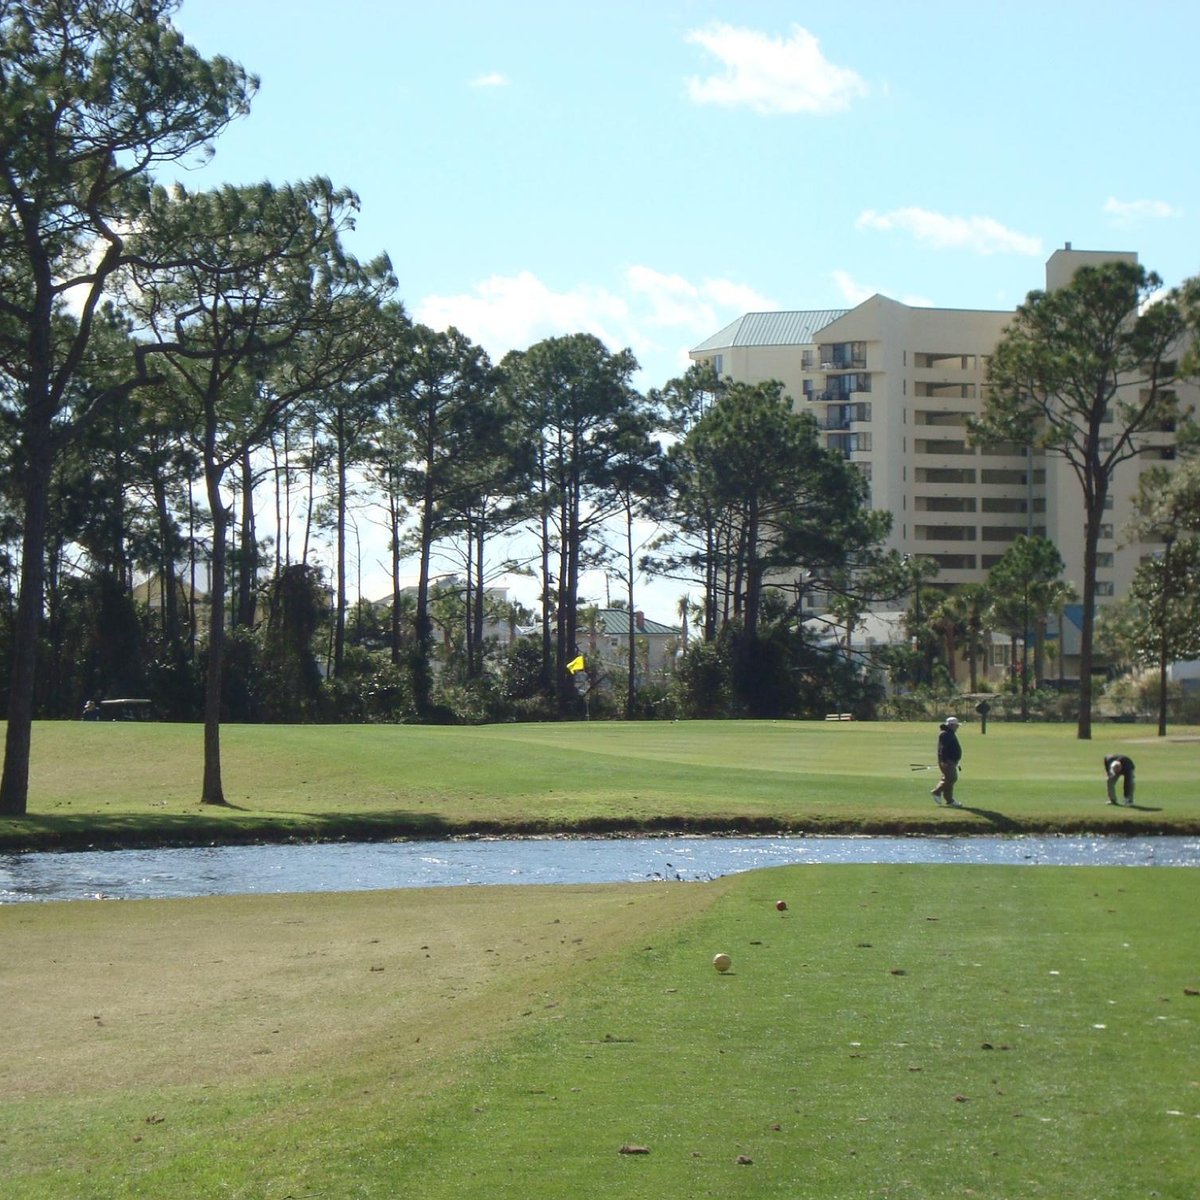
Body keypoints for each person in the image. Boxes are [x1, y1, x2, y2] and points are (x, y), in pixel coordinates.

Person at [931, 716, 963, 806]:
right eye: (956, 726)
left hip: (950, 761)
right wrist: (945, 761)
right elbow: (943, 749)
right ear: (951, 725)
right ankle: (936, 792)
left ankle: (949, 800)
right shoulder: (946, 734)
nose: (957, 727)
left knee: (949, 779)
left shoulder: (949, 733)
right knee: (951, 778)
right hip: (948, 761)